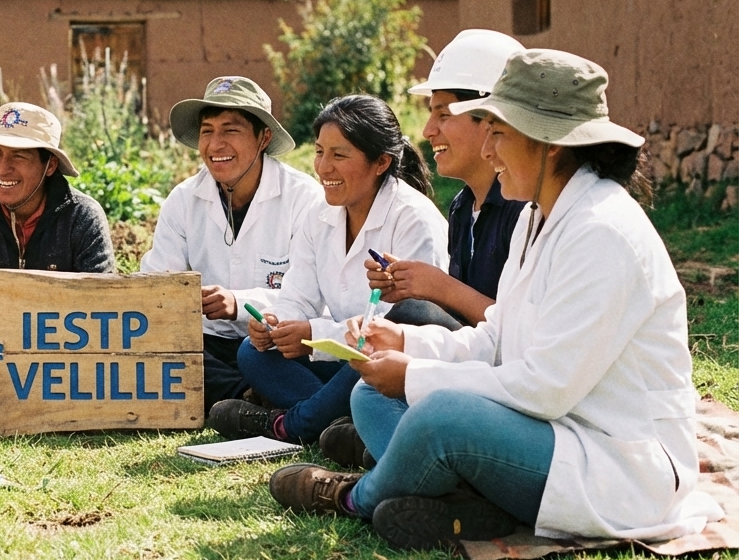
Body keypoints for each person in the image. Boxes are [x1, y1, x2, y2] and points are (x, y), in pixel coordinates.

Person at [268, 49, 724, 552]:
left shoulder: (602, 233)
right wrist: (405, 342)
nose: (488, 150)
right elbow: (496, 338)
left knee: (440, 415)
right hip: (550, 433)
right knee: (370, 395)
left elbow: (546, 388)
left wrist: (415, 375)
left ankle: (357, 496)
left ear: (549, 144)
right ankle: (474, 502)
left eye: (499, 134)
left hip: (616, 464)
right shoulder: (536, 217)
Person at [321, 30, 527, 468]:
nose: (428, 131)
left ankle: (394, 455)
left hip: (509, 382)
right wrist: (409, 284)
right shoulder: (462, 207)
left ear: (490, 119)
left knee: (412, 315)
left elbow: (519, 335)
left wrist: (435, 288)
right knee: (377, 365)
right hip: (476, 365)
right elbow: (466, 327)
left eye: (443, 114)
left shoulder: (525, 211)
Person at [208, 95, 448, 445]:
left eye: (339, 155)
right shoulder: (319, 214)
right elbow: (298, 297)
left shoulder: (413, 219)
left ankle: (290, 425)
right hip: (341, 361)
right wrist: (274, 324)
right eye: (320, 152)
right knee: (252, 351)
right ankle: (342, 422)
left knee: (370, 358)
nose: (323, 167)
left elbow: (405, 325)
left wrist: (311, 333)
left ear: (381, 162)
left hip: (392, 364)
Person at [140, 77, 323, 412]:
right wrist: (177, 297)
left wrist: (237, 303)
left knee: (265, 353)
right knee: (154, 343)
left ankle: (238, 398)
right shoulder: (183, 200)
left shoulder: (303, 198)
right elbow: (157, 287)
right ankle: (247, 396)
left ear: (264, 137)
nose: (215, 144)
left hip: (270, 343)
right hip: (204, 343)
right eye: (207, 131)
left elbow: (311, 299)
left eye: (230, 130)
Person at [0, 102, 115, 272]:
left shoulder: (81, 218)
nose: (2, 169)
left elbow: (100, 293)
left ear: (50, 166)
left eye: (18, 156)